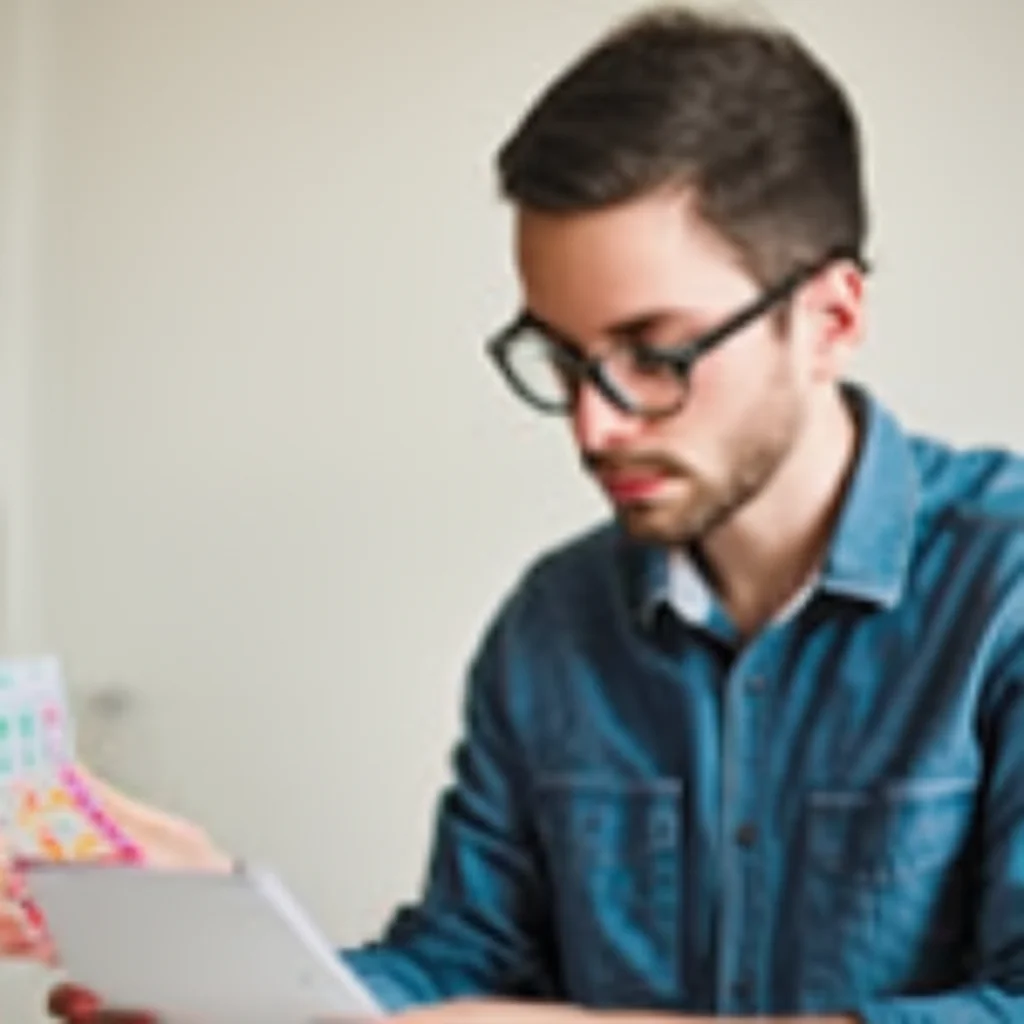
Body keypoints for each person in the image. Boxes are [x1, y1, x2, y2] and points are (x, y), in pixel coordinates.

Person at [23, 3, 1024, 1022]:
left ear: (829, 319)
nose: (592, 425)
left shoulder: (1005, 589)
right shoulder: (554, 620)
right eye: (561, 358)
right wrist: (236, 960)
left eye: (654, 354)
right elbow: (464, 962)